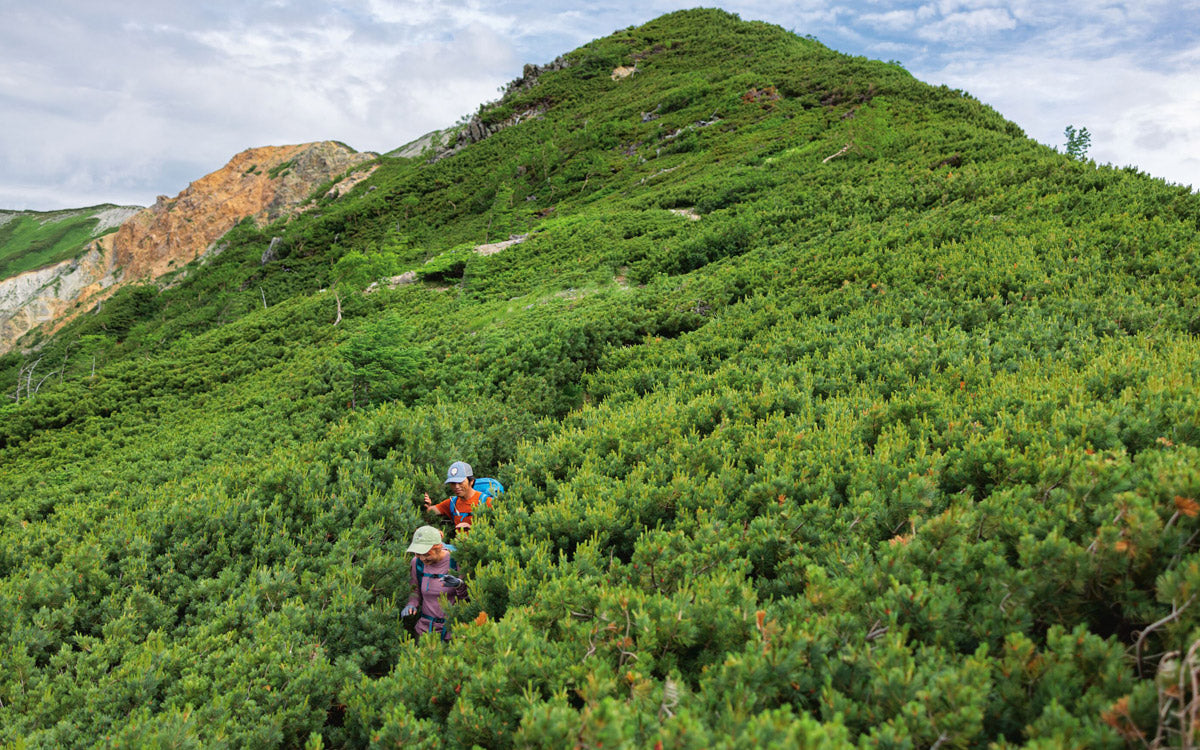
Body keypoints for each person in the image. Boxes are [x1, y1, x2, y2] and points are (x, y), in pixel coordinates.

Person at [400, 525, 466, 641]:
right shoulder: (417, 563)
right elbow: (414, 590)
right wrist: (411, 604)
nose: (422, 558)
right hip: (424, 631)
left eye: (426, 554)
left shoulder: (456, 560)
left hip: (453, 631)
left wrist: (459, 585)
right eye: (417, 554)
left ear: (438, 547)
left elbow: (468, 598)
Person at [424, 460, 493, 533]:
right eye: (453, 483)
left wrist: (473, 528)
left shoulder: (486, 502)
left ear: (471, 481)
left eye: (460, 482)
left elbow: (498, 528)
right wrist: (427, 504)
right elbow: (430, 511)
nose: (456, 487)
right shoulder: (452, 503)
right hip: (457, 544)